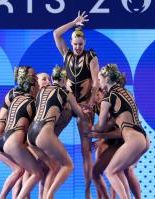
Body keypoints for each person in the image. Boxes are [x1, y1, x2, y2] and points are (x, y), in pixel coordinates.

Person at [53, 11, 100, 198]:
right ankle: (46, 172)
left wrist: (89, 102)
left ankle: (88, 193)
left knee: (86, 150)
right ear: (71, 44)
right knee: (51, 132)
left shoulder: (91, 57)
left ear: (85, 43)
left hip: (84, 106)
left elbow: (95, 83)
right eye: (75, 44)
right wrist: (73, 23)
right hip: (69, 103)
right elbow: (56, 34)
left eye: (81, 44)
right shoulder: (66, 54)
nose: (78, 47)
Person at [27, 66, 89, 199]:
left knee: (48, 168)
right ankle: (49, 195)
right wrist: (85, 111)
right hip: (44, 132)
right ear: (65, 79)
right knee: (68, 165)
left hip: (30, 134)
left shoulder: (42, 90)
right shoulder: (66, 93)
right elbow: (80, 114)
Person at [91, 64, 148, 199]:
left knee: (110, 172)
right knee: (122, 170)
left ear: (106, 78)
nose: (98, 82)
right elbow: (120, 119)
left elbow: (100, 126)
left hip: (133, 138)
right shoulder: (127, 92)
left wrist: (90, 129)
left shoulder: (109, 98)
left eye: (99, 79)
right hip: (144, 138)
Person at [0, 66, 43, 199]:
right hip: (14, 140)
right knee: (37, 174)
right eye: (36, 81)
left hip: (2, 140)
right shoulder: (33, 103)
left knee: (22, 170)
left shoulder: (15, 98)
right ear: (32, 85)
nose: (39, 85)